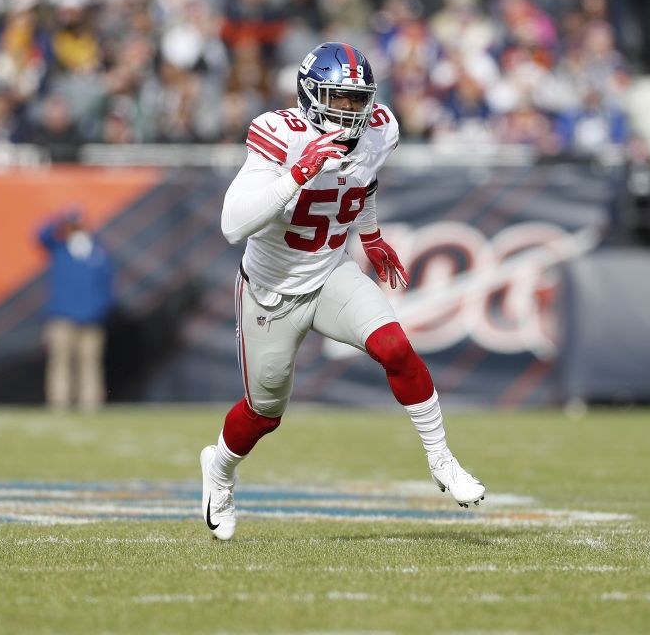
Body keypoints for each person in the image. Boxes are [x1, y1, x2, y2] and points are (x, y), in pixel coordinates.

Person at [200, 42, 486, 541]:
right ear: (311, 95)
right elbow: (231, 225)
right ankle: (220, 471)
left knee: (395, 346)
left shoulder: (381, 129)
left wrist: (370, 237)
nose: (351, 111)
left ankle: (442, 459)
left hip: (331, 272)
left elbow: (365, 182)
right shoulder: (280, 135)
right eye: (339, 98)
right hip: (270, 290)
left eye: (358, 99)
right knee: (264, 413)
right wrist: (297, 173)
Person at [37, 209, 116, 411]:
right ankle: (59, 405)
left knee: (90, 365)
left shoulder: (98, 254)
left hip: (91, 321)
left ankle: (90, 406)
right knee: (60, 363)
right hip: (62, 319)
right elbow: (40, 235)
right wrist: (60, 219)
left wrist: (99, 312)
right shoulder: (60, 250)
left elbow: (107, 287)